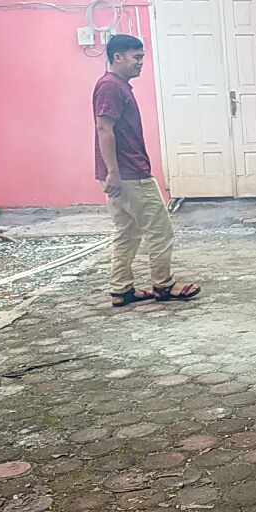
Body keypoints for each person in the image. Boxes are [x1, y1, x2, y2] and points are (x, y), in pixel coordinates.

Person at [94, 34, 200, 307]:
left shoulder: (117, 85)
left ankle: (121, 289)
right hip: (129, 174)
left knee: (127, 231)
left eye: (142, 57)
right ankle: (164, 285)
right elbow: (104, 128)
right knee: (160, 229)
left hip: (124, 172)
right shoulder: (110, 87)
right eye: (136, 57)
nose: (141, 62)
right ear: (118, 57)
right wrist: (114, 172)